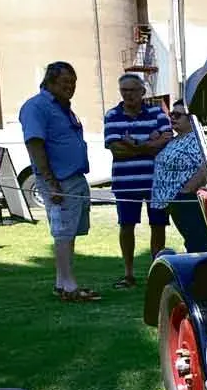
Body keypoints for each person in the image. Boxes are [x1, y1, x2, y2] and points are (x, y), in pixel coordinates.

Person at [19, 61, 101, 302]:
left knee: (69, 232)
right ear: (50, 82)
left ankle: (61, 282)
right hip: (59, 181)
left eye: (73, 82)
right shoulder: (36, 106)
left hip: (73, 178)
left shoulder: (63, 107)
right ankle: (68, 286)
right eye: (65, 82)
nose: (70, 87)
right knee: (63, 232)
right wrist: (51, 182)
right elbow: (35, 144)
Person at [103, 73, 172, 288]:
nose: (128, 95)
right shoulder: (112, 115)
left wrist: (131, 143)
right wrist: (149, 143)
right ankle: (128, 274)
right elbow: (116, 149)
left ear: (143, 91)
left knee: (158, 226)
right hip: (126, 182)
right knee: (126, 226)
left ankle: (155, 271)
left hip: (156, 182)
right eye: (124, 90)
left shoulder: (157, 113)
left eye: (132, 90)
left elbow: (166, 141)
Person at [150, 100, 207, 253]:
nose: (172, 117)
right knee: (191, 240)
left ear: (191, 119)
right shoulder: (175, 139)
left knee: (197, 242)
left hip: (186, 201)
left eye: (178, 115)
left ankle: (201, 267)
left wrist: (186, 190)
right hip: (172, 201)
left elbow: (206, 166)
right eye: (171, 114)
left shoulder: (195, 139)